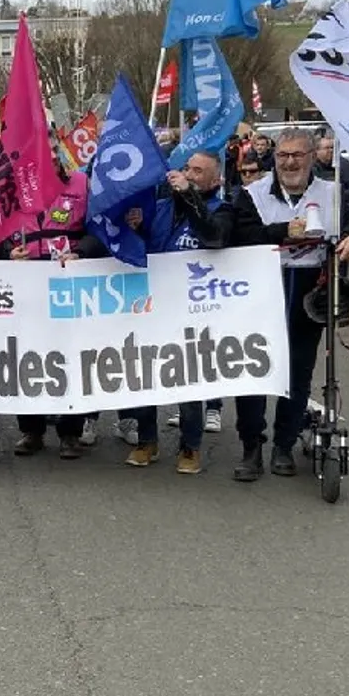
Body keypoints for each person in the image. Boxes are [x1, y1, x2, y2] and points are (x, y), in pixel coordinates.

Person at [231, 128, 349, 481]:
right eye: (283, 155)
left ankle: (284, 444)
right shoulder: (252, 193)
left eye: (297, 155)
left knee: (297, 372)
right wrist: (282, 231)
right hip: (262, 289)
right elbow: (238, 234)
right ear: (274, 157)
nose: (289, 162)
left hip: (310, 287)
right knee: (252, 370)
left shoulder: (332, 191)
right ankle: (252, 447)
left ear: (312, 156)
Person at [120, 152, 235, 474]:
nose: (189, 174)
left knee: (188, 378)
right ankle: (146, 440)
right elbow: (145, 248)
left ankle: (190, 446)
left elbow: (214, 237)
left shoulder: (221, 209)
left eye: (199, 172)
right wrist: (137, 229)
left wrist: (189, 195)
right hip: (152, 305)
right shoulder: (160, 207)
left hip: (193, 310)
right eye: (187, 168)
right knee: (144, 372)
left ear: (216, 181)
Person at [0, 140, 90, 460]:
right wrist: (8, 253)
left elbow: (101, 229)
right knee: (27, 359)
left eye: (52, 155)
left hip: (68, 286)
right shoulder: (14, 190)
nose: (47, 162)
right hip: (26, 287)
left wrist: (82, 251)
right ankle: (31, 429)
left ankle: (71, 431)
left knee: (70, 358)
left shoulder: (81, 185)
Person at [312, 136, 349, 202]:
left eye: (332, 148)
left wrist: (337, 197)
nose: (331, 150)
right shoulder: (311, 166)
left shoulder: (342, 165)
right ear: (317, 151)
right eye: (327, 148)